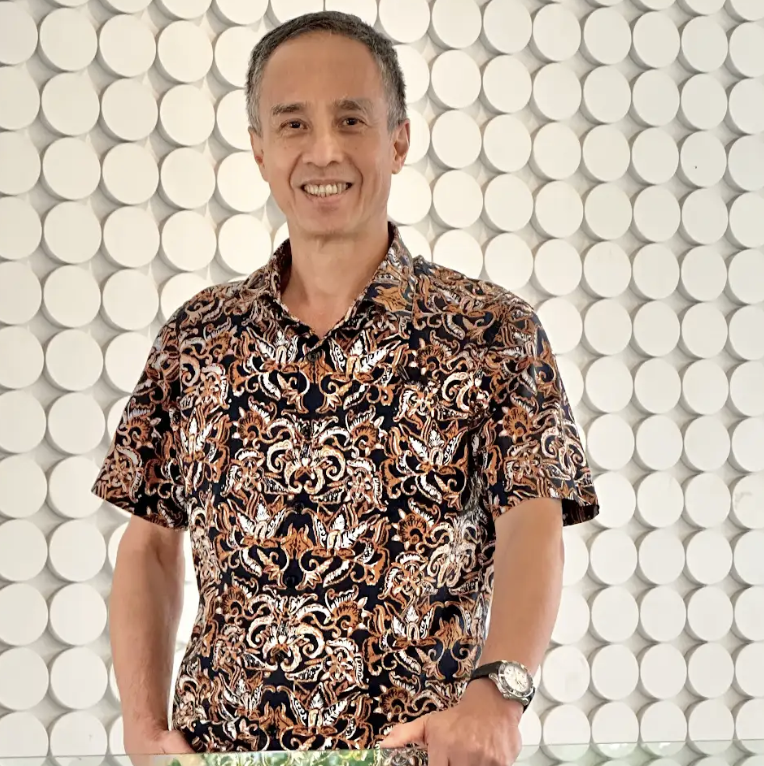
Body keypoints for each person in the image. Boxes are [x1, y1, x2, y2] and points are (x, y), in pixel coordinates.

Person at [92, 9, 600, 760]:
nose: (323, 149)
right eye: (293, 124)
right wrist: (142, 729)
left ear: (398, 139)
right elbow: (152, 548)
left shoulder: (493, 331)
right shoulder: (196, 336)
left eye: (351, 119)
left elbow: (533, 523)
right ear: (260, 150)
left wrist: (498, 697)